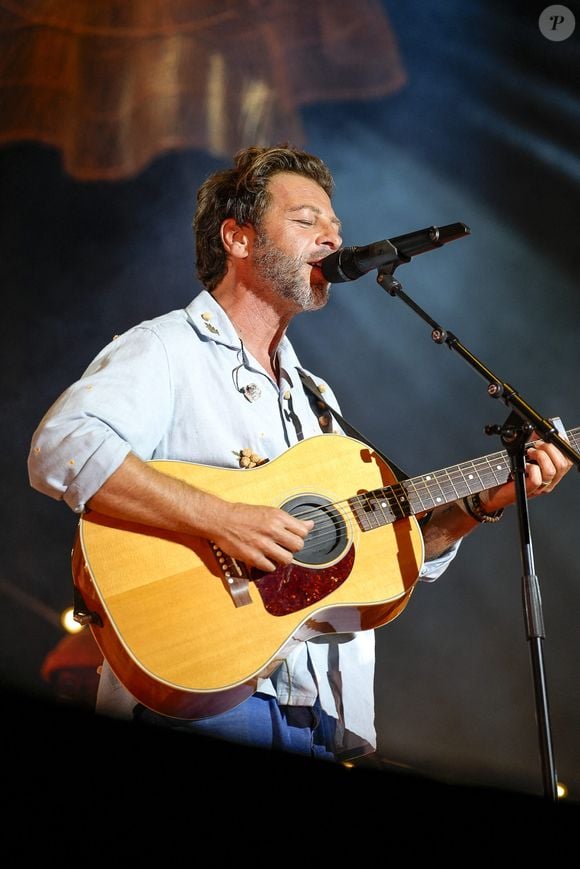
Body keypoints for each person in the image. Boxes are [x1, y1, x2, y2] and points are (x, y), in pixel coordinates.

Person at [27, 144, 572, 764]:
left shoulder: (316, 398)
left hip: (315, 716)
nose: (333, 239)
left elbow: (382, 556)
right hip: (203, 694)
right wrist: (223, 519)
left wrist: (482, 504)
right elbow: (63, 446)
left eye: (336, 226)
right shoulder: (167, 349)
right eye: (307, 220)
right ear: (238, 239)